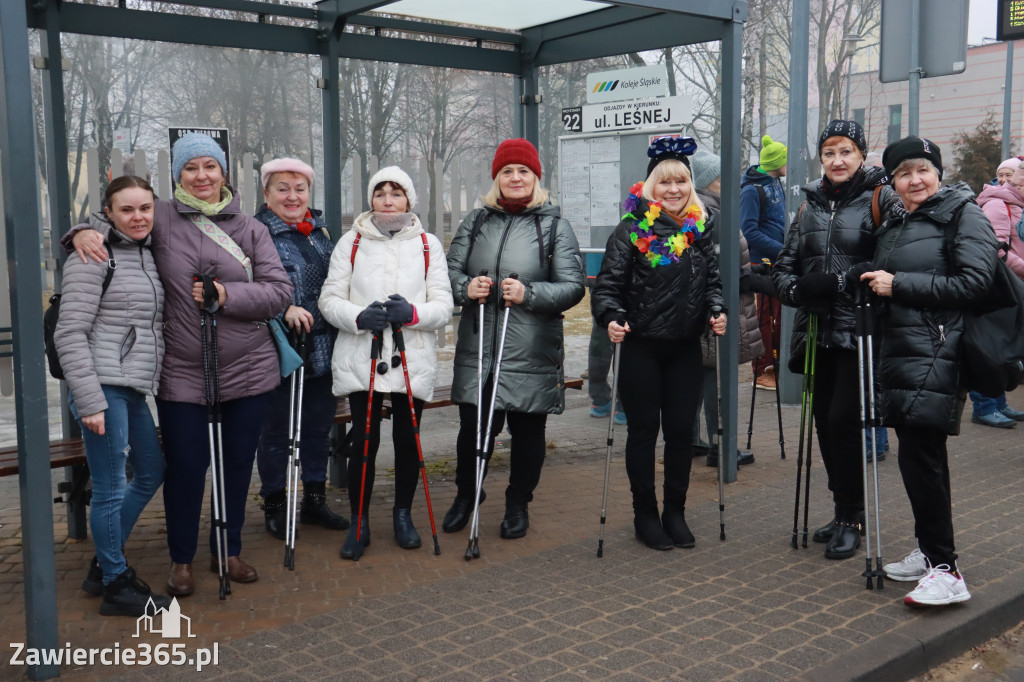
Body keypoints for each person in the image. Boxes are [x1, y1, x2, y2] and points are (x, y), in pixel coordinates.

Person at [70, 133, 293, 596]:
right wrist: (80, 232)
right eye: (191, 168)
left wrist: (228, 295)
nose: (202, 176)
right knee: (186, 467)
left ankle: (227, 549)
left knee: (235, 466)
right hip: (183, 373)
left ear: (224, 172)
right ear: (177, 174)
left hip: (249, 369)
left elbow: (279, 291)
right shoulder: (162, 217)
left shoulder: (251, 228)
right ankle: (182, 558)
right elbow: (116, 220)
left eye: (210, 167)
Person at [861, 136, 996, 606]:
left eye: (922, 169)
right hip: (903, 352)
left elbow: (975, 283)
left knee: (924, 460)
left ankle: (947, 571)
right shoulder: (903, 220)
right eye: (903, 173)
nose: (914, 179)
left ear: (938, 173)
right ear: (892, 181)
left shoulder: (964, 213)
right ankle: (929, 551)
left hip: (937, 352)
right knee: (916, 459)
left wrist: (898, 284)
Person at [442, 138, 584, 540]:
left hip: (531, 348)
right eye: (507, 171)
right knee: (473, 426)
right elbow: (448, 276)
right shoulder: (476, 222)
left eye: (523, 171)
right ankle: (467, 495)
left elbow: (574, 287)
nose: (515, 178)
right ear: (497, 179)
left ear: (535, 177)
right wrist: (466, 287)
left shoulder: (556, 225)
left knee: (527, 431)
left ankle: (518, 502)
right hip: (479, 346)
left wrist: (530, 294)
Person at [591, 136, 726, 551]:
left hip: (685, 348)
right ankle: (645, 515)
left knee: (682, 434)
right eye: (665, 183)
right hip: (641, 349)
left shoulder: (701, 227)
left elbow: (713, 282)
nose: (673, 190)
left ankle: (676, 512)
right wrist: (612, 318)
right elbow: (606, 289)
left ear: (690, 186)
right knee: (644, 433)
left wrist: (716, 308)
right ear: (651, 187)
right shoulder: (631, 230)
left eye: (681, 182)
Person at [772, 120, 897, 560]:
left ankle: (852, 516)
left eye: (845, 151)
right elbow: (784, 269)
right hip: (817, 330)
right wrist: (798, 289)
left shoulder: (883, 199)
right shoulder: (808, 206)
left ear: (861, 154)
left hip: (860, 330)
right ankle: (844, 509)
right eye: (829, 152)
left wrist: (842, 281)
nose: (837, 160)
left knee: (846, 420)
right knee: (825, 421)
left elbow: (891, 257)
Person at [319, 166, 453, 558]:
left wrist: (412, 313)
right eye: (381, 193)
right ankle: (359, 522)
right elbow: (330, 299)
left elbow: (443, 305)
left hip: (412, 358)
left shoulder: (429, 245)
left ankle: (402, 515)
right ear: (372, 200)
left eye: (396, 192)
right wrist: (359, 317)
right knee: (364, 440)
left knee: (408, 440)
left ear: (409, 200)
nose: (388, 199)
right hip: (365, 356)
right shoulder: (352, 242)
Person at [56, 176, 170, 617]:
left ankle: (104, 563)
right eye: (127, 210)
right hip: (102, 387)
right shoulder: (92, 255)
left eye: (145, 208)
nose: (138, 217)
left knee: (150, 471)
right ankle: (117, 585)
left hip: (131, 386)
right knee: (108, 487)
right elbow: (70, 332)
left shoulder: (145, 253)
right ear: (108, 212)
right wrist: (89, 400)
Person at [255, 158, 349, 539]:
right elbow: (246, 284)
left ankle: (313, 499)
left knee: (317, 429)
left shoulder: (319, 233)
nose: (292, 196)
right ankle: (275, 505)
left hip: (323, 349)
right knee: (276, 433)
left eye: (299, 189)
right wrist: (282, 306)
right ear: (267, 193)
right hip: (278, 349)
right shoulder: (255, 233)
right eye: (282, 188)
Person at [690, 149, 762, 469]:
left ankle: (694, 439)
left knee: (700, 376)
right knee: (713, 379)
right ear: (714, 181)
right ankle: (721, 447)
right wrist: (741, 281)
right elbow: (715, 263)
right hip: (715, 309)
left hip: (709, 306)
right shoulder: (712, 213)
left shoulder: (709, 208)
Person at [967, 157, 1024, 428]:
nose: (1005, 179)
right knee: (990, 346)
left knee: (1003, 347)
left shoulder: (1014, 203)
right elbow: (995, 248)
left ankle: (998, 403)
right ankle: (985, 405)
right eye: (1002, 174)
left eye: (1009, 173)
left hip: (1011, 284)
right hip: (1000, 285)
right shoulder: (999, 204)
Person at [741, 134, 788, 390]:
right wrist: (781, 249)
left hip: (778, 262)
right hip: (762, 265)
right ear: (776, 161)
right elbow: (748, 231)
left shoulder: (776, 183)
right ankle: (762, 370)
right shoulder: (751, 190)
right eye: (785, 159)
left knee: (778, 318)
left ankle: (776, 367)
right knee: (764, 319)